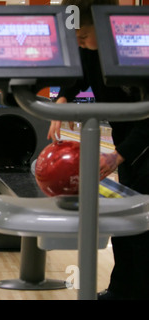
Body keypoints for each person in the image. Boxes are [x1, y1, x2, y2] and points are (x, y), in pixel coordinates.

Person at [48, 0, 149, 300]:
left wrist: (120, 155)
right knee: (125, 220)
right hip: (129, 142)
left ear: (106, 26)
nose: (79, 43)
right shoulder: (91, 48)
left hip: (143, 142)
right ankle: (122, 289)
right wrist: (62, 99)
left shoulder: (138, 49)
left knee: (142, 226)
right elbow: (78, 76)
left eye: (82, 37)